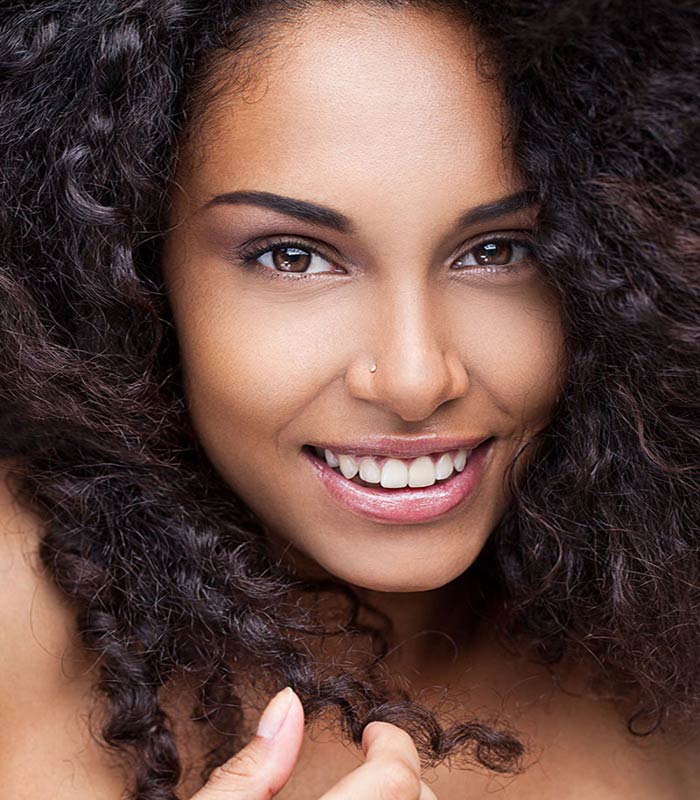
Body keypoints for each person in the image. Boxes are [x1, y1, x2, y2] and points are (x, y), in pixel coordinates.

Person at [0, 0, 697, 798]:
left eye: (498, 250)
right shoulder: (17, 619)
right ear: (133, 272)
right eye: (293, 257)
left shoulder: (670, 642)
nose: (415, 379)